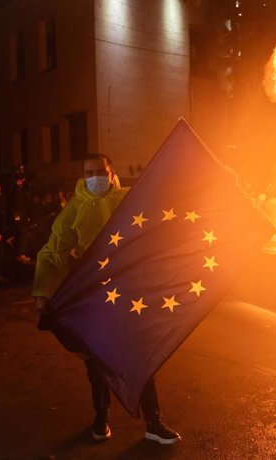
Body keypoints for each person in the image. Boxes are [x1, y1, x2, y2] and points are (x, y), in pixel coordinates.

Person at [32, 152, 181, 444]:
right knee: (96, 359)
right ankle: (101, 419)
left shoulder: (129, 199)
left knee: (140, 355)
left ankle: (153, 422)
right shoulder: (73, 210)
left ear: (112, 172)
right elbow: (53, 252)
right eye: (89, 172)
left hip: (129, 291)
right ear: (82, 175)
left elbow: (168, 199)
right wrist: (42, 291)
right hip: (95, 295)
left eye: (100, 170)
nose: (95, 177)